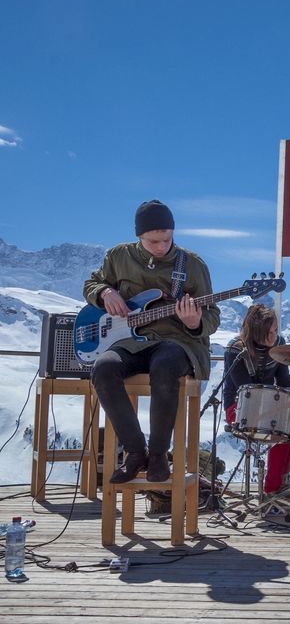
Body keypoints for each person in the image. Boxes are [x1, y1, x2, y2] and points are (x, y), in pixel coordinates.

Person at [85, 200, 220, 483]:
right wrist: (105, 292)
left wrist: (195, 322)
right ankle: (136, 452)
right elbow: (92, 284)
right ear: (139, 237)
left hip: (177, 341)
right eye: (153, 241)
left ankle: (159, 455)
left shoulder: (192, 265)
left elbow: (212, 316)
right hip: (130, 342)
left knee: (166, 365)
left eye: (167, 239)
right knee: (103, 369)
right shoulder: (118, 256)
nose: (161, 247)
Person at [223, 304, 290, 498]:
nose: (274, 336)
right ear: (257, 331)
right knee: (282, 420)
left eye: (275, 330)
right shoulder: (236, 349)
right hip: (239, 407)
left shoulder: (279, 344)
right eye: (269, 332)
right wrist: (283, 394)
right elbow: (245, 389)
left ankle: (280, 481)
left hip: (272, 402)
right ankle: (273, 488)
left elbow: (284, 379)